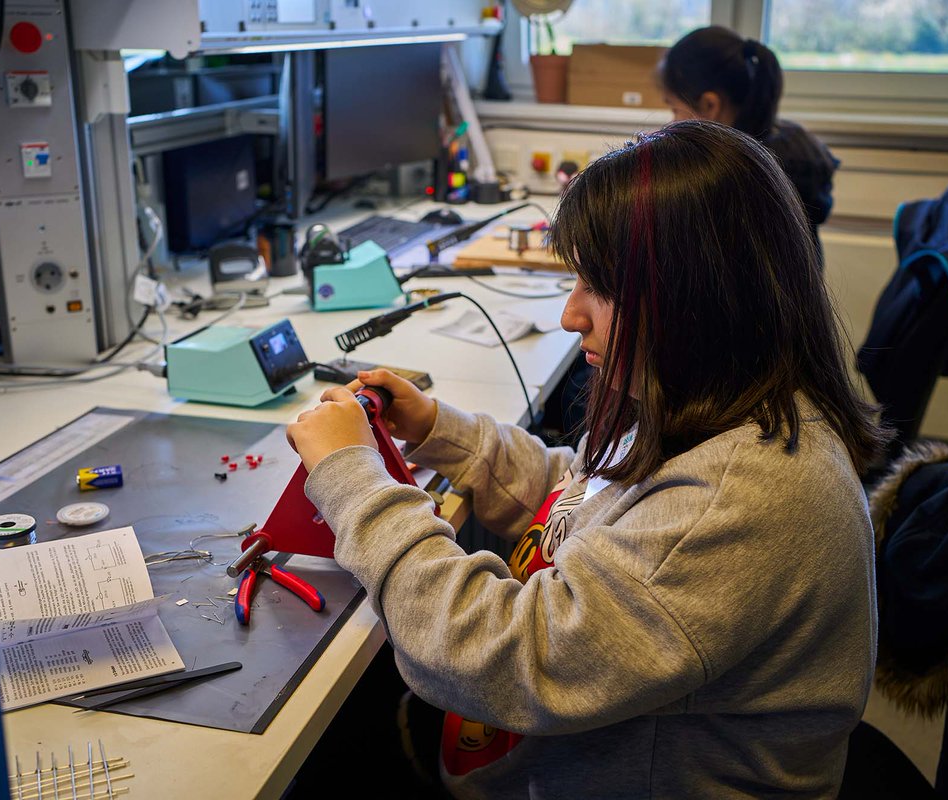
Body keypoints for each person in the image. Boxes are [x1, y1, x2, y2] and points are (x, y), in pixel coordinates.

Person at [286, 120, 887, 798]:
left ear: (698, 295)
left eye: (598, 287)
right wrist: (437, 430)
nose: (573, 316)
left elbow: (503, 659)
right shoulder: (727, 405)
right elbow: (586, 502)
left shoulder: (740, 494)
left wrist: (352, 480)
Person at [660, 26, 839, 253]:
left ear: (709, 105)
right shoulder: (791, 144)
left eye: (675, 109)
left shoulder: (735, 177)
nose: (671, 124)